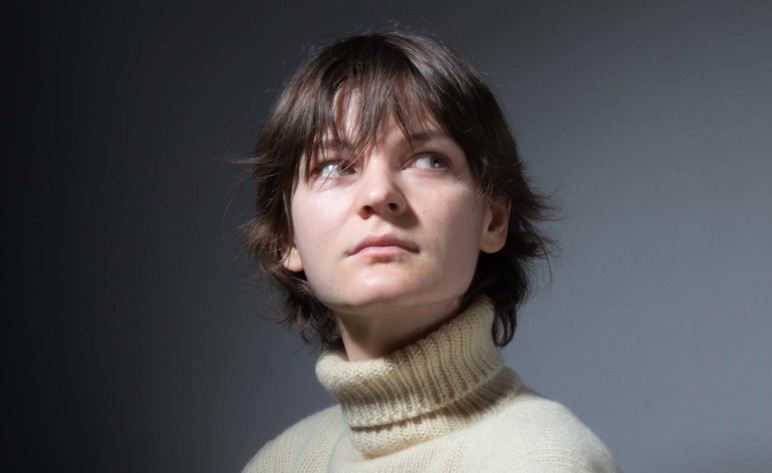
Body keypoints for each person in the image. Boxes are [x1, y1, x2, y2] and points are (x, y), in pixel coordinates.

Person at [243, 30, 621, 472]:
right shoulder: (280, 463)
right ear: (286, 237)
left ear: (493, 219)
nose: (379, 193)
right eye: (334, 166)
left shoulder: (540, 460)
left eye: (428, 159)